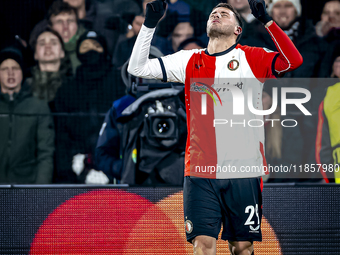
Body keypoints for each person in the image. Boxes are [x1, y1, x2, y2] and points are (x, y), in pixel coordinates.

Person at [128, 0, 302, 254]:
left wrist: (267, 21)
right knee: (203, 244)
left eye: (225, 14)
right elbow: (137, 67)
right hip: (200, 169)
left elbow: (293, 61)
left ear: (237, 30)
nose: (217, 15)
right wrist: (150, 24)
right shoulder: (189, 60)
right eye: (213, 13)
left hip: (243, 169)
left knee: (242, 247)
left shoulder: (253, 56)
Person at [0, 46, 55, 184]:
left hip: (26, 186)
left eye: (15, 68)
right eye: (5, 69)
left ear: (23, 72)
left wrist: (40, 191)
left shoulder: (38, 106)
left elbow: (46, 152)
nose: (10, 73)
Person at [27, 27, 72, 111]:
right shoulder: (25, 87)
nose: (48, 46)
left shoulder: (73, 86)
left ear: (62, 52)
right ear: (35, 54)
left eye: (53, 43)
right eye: (42, 43)